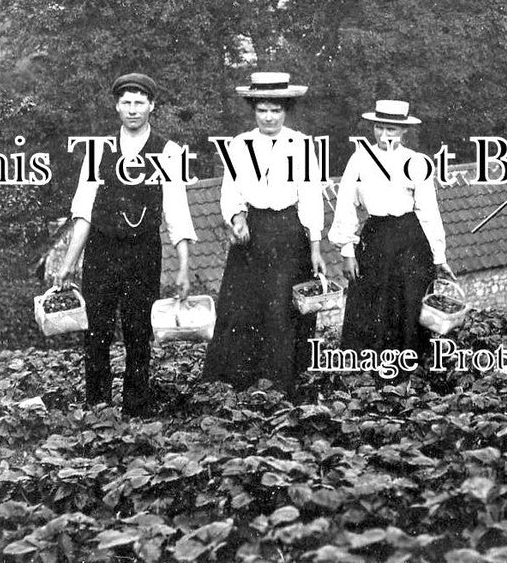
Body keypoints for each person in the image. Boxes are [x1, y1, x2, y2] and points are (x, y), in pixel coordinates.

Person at [53, 73, 197, 416]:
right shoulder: (97, 151)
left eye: (139, 102)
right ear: (117, 106)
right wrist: (68, 263)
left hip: (143, 250)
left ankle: (136, 407)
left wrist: (184, 269)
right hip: (102, 249)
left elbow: (177, 213)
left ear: (152, 106)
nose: (133, 109)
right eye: (126, 102)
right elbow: (84, 211)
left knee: (138, 329)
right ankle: (98, 406)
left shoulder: (169, 152)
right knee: (97, 330)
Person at [202, 72, 325, 396]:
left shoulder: (301, 145)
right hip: (253, 235)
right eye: (263, 110)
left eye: (275, 110)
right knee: (244, 306)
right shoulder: (240, 145)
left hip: (288, 234)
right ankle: (240, 378)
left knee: (282, 307)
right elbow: (231, 192)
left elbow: (310, 196)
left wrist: (314, 246)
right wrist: (237, 219)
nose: (269, 117)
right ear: (254, 111)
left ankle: (281, 379)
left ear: (286, 110)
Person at [328, 100, 455, 360]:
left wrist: (439, 257)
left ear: (403, 131)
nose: (385, 136)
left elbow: (428, 212)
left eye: (392, 130)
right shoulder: (360, 159)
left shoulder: (416, 162)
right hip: (375, 236)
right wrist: (347, 250)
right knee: (372, 301)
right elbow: (345, 206)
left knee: (409, 300)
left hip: (410, 238)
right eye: (379, 128)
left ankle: (409, 365)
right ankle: (368, 365)